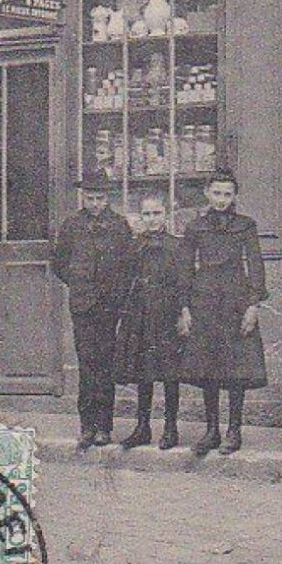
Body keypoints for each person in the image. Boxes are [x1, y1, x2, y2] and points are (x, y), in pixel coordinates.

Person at [178, 170, 268, 456]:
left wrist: (253, 305)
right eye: (216, 193)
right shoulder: (195, 228)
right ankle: (212, 429)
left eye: (227, 194)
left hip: (235, 298)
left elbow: (255, 265)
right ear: (207, 193)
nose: (221, 200)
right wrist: (185, 307)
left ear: (235, 196)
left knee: (236, 368)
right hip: (204, 299)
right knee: (208, 368)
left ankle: (234, 430)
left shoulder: (246, 226)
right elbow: (184, 269)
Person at [54, 172, 133, 450]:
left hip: (109, 306)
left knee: (106, 364)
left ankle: (104, 427)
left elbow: (128, 266)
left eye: (100, 198)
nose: (96, 204)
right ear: (83, 197)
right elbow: (59, 263)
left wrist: (115, 294)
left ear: (108, 198)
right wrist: (79, 283)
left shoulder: (120, 226)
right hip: (83, 305)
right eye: (90, 199)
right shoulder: (72, 225)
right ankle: (87, 426)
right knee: (87, 362)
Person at [114, 192, 189, 451]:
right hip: (141, 312)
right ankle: (142, 426)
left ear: (166, 214)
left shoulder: (177, 245)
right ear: (140, 216)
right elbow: (125, 278)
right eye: (146, 214)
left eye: (157, 213)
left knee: (170, 372)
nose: (152, 219)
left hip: (167, 312)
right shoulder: (134, 245)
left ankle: (170, 428)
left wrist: (182, 312)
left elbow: (183, 282)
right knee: (143, 371)